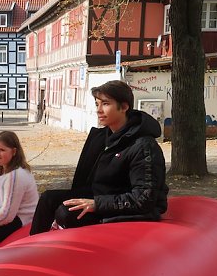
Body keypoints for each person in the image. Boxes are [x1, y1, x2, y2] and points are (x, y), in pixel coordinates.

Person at [29, 80, 168, 235]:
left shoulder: (143, 146)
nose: (99, 110)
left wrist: (97, 204)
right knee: (49, 198)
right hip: (102, 196)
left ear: (124, 107)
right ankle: (32, 247)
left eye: (105, 104)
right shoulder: (104, 136)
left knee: (66, 213)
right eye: (97, 104)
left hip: (130, 209)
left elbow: (144, 199)